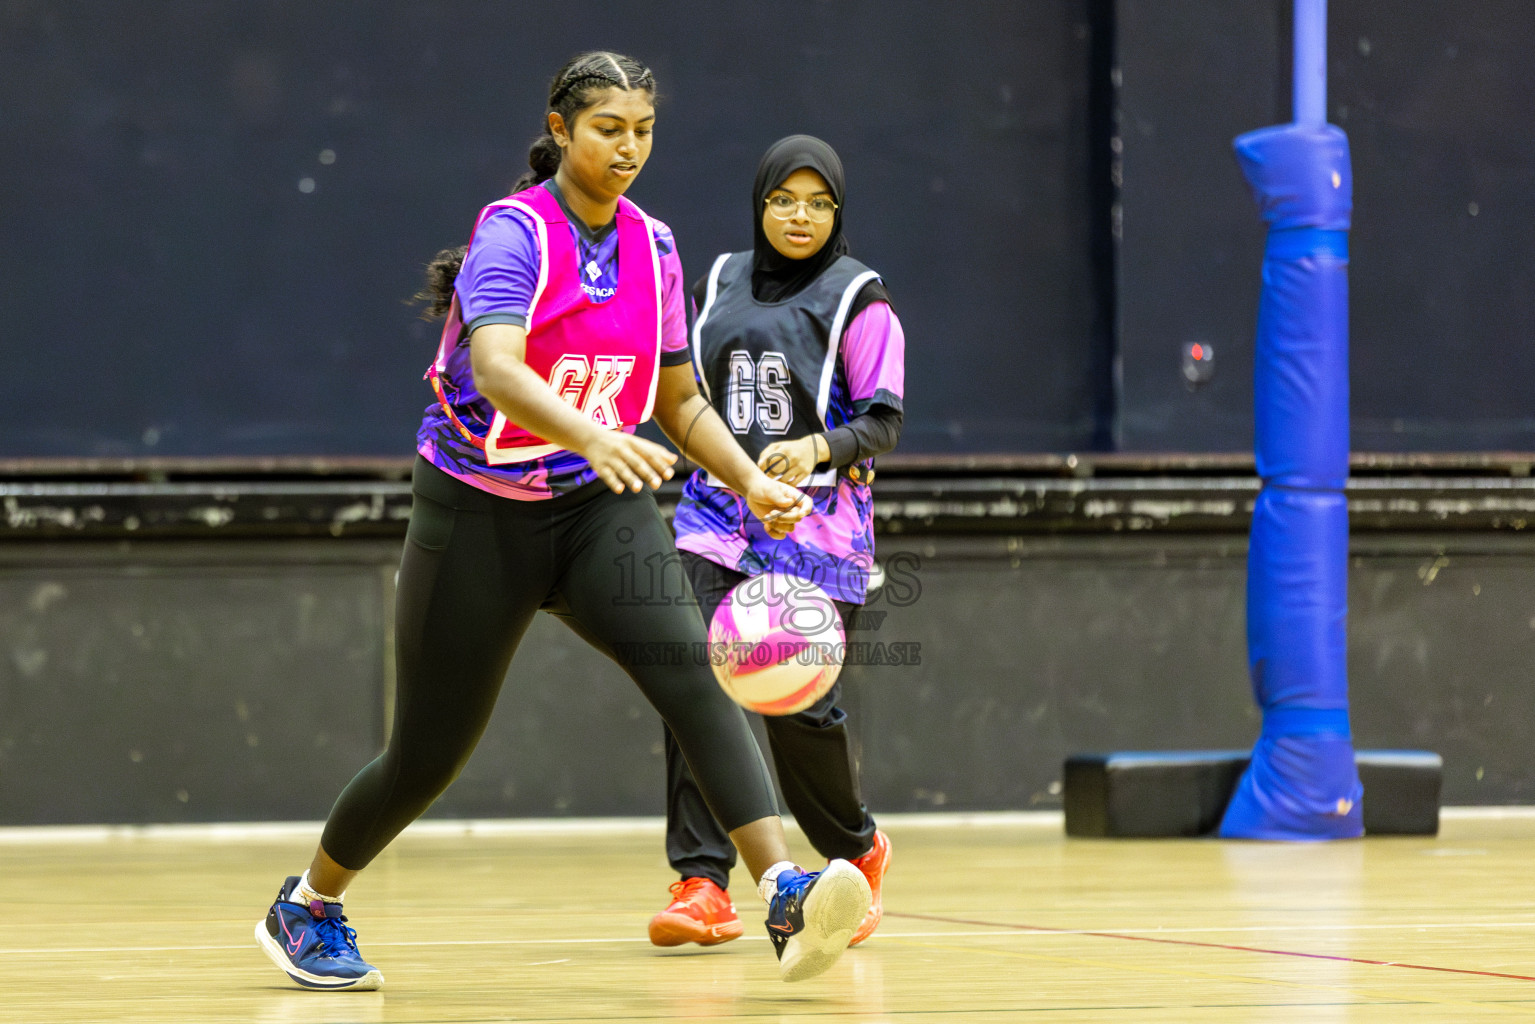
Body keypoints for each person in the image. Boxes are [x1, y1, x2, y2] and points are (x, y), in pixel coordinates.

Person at [254, 53, 870, 991]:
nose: (628, 148)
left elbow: (675, 396)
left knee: (696, 678)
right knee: (426, 754)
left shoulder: (654, 246)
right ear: (559, 128)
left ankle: (782, 890)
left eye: (643, 130)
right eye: (607, 128)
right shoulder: (514, 232)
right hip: (477, 515)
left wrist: (747, 479)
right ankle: (307, 903)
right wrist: (593, 433)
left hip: (594, 512)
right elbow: (498, 366)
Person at [648, 135, 903, 950]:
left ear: (837, 212)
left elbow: (883, 421)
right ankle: (701, 882)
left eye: (818, 203)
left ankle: (852, 848)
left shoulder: (860, 297)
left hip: (818, 527)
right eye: (783, 200)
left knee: (795, 702)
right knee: (698, 688)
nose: (800, 216)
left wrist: (816, 450)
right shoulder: (716, 280)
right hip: (716, 519)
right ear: (759, 205)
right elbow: (679, 391)